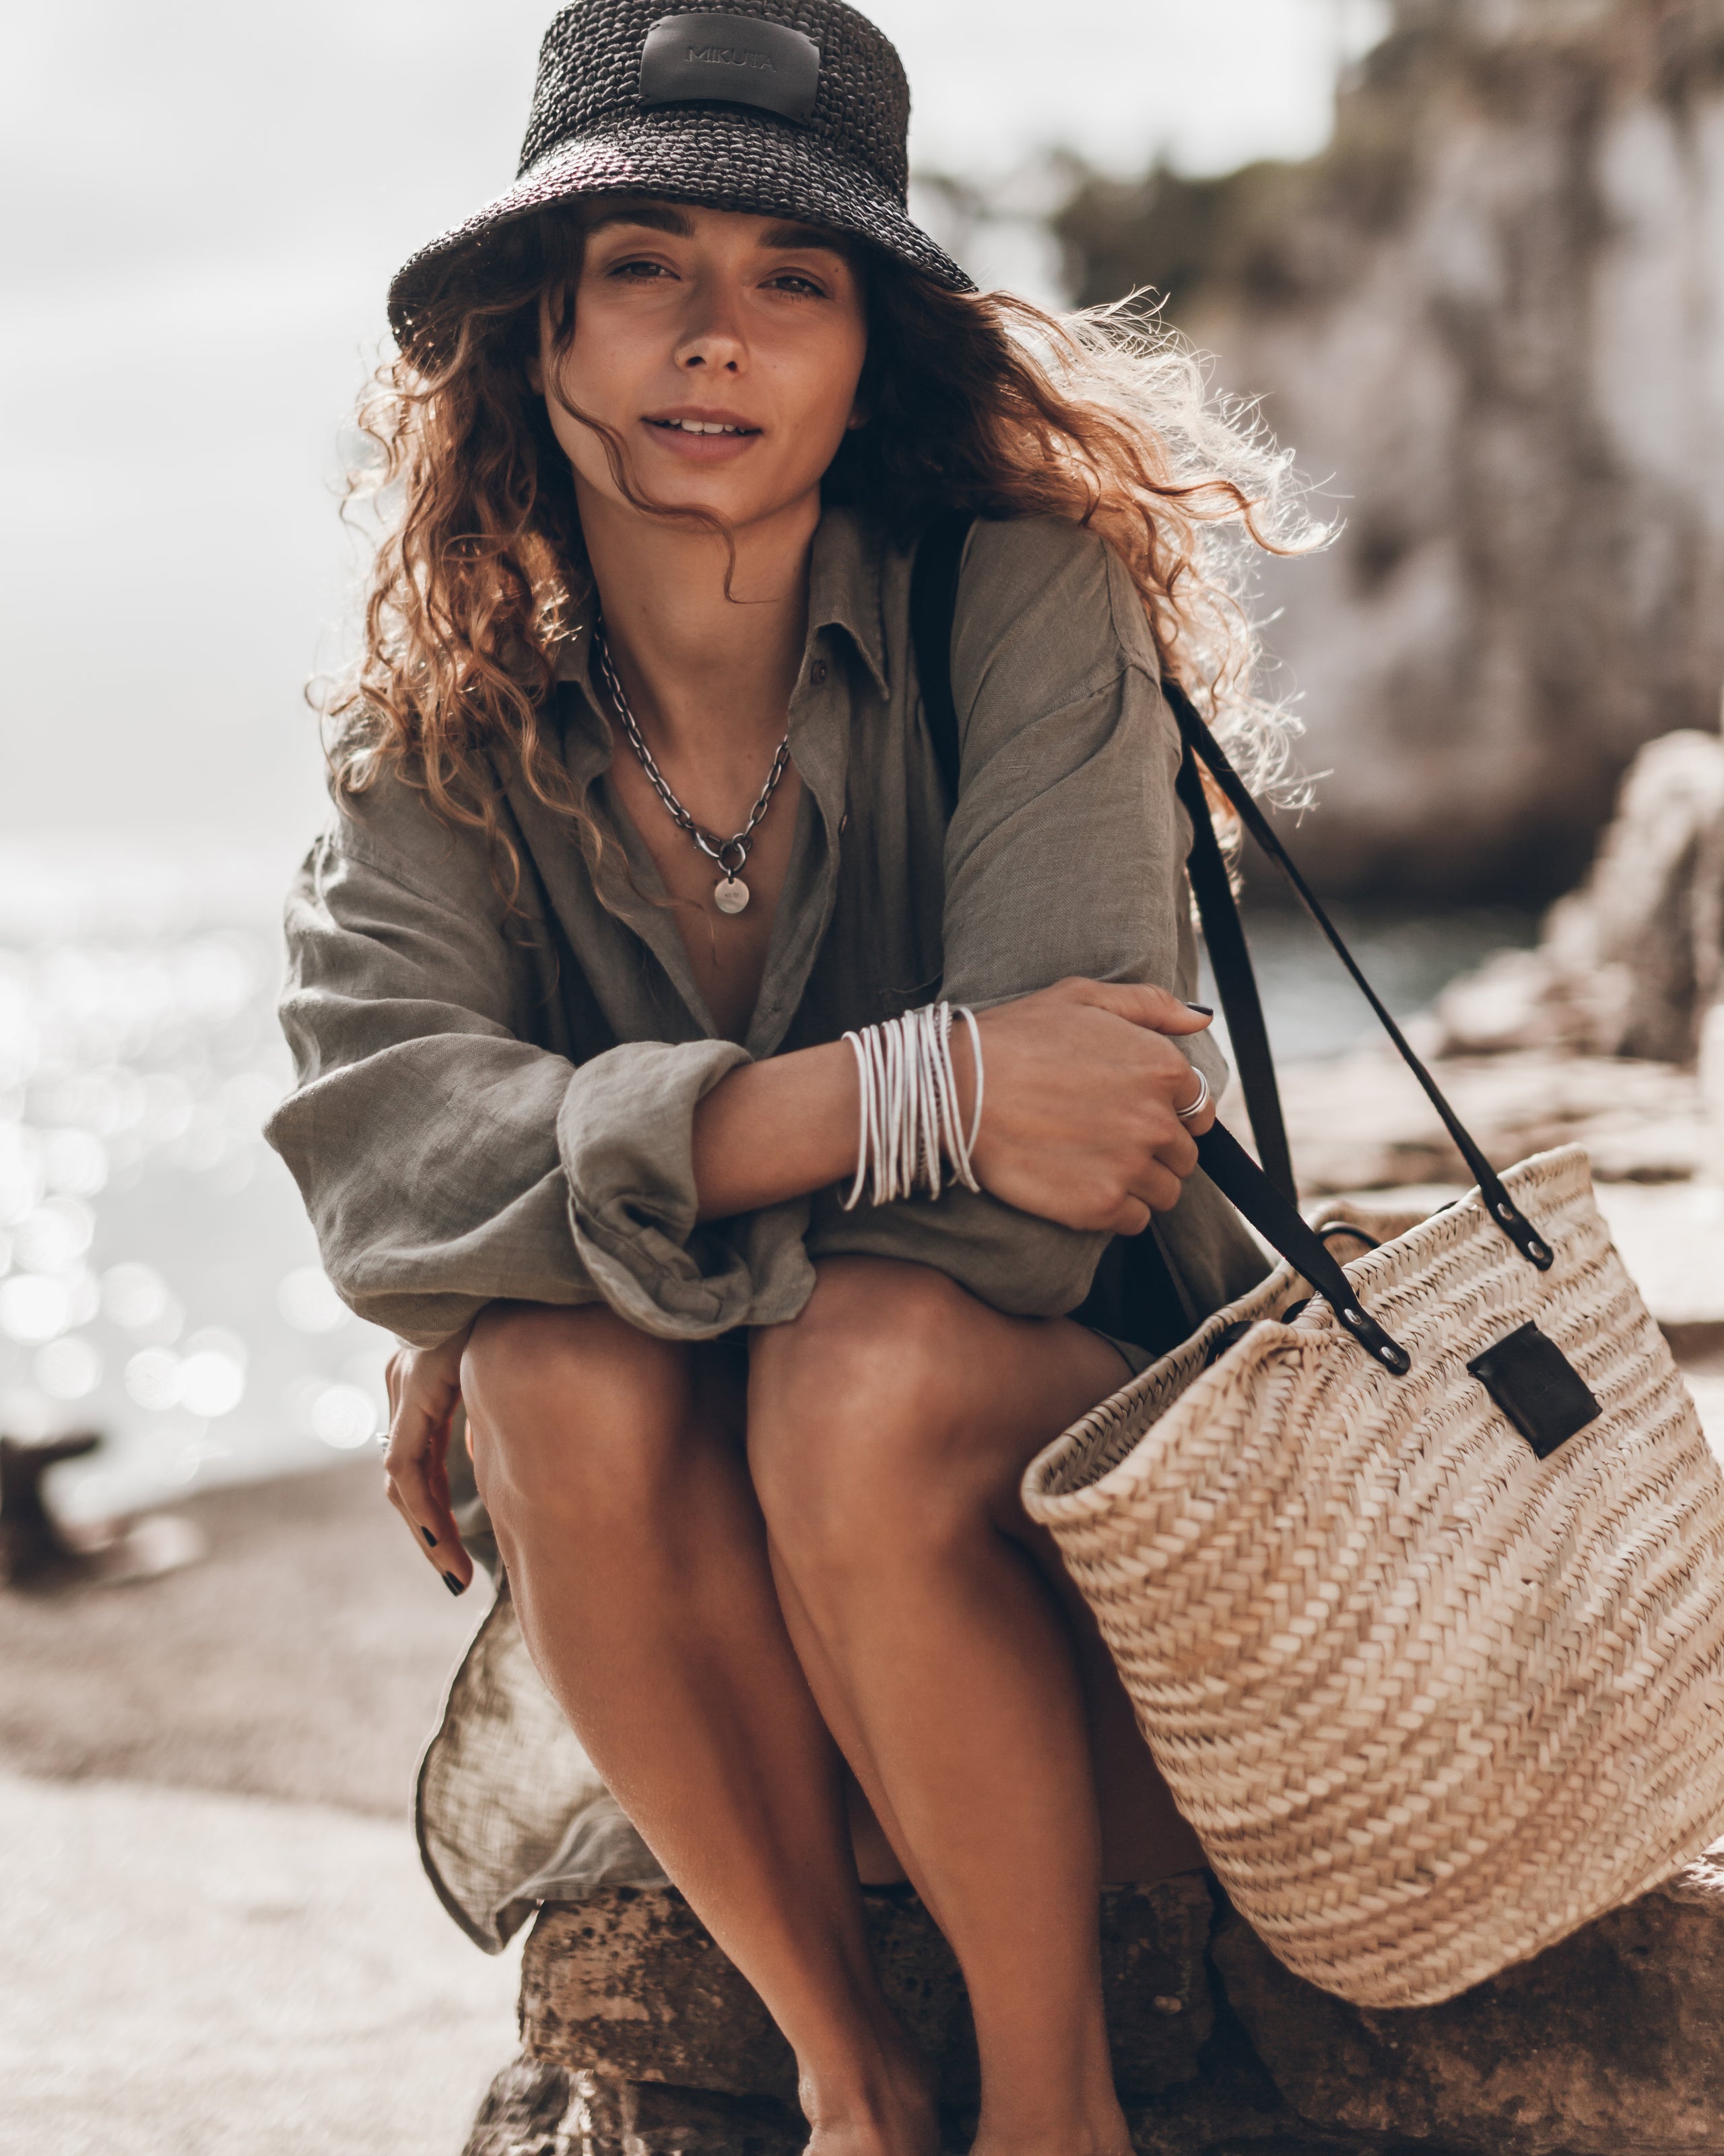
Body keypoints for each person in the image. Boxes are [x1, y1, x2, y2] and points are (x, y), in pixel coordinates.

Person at [267, 4, 1312, 2151]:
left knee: (809, 1363)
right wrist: (900, 1086)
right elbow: (383, 1150)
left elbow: (1071, 1175)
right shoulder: (440, 726)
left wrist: (556, 1227)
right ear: (536, 332)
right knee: (559, 1381)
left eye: (790, 279)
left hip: (1090, 1539)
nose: (713, 339)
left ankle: (1055, 2115)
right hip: (723, 1594)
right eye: (644, 262)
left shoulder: (1020, 596)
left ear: (870, 350)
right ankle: (855, 2084)